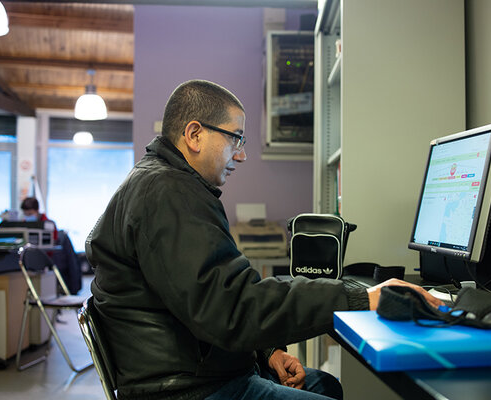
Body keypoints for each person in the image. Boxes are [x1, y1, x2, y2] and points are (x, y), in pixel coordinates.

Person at [86, 80, 442, 400]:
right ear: (194, 135)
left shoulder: (161, 184)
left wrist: (266, 351)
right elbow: (234, 309)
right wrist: (361, 297)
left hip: (187, 370)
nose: (241, 154)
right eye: (235, 138)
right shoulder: (169, 193)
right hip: (187, 389)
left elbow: (211, 301)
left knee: (326, 385)